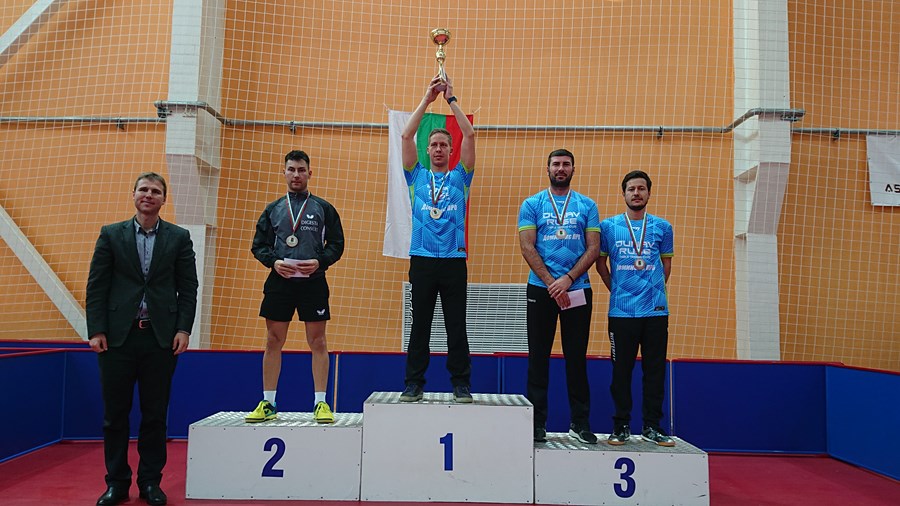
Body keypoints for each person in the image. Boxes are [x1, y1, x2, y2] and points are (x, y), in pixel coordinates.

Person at [86, 172, 199, 506]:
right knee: (114, 416)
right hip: (116, 340)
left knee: (155, 415)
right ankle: (116, 483)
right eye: (144, 189)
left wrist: (183, 329)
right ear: (133, 194)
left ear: (164, 199)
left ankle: (150, 482)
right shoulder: (111, 234)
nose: (149, 195)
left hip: (160, 339)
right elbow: (97, 285)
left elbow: (188, 288)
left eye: (156, 191)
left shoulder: (179, 237)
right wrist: (96, 330)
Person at [246, 150, 345, 425]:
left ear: (309, 173)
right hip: (280, 282)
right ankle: (268, 402)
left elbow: (337, 245)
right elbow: (259, 246)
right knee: (273, 340)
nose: (296, 175)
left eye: (301, 170)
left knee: (318, 341)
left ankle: (321, 403)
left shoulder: (324, 208)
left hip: (313, 282)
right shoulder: (273, 209)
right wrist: (274, 262)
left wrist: (321, 261)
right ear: (284, 173)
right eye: (291, 169)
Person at [398, 73, 476, 403]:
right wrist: (427, 99)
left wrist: (452, 100)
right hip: (423, 259)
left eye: (444, 144)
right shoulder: (415, 176)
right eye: (434, 145)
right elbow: (406, 135)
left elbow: (470, 133)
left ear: (451, 149)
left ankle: (461, 383)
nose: (440, 148)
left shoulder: (461, 177)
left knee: (456, 325)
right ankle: (414, 383)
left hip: (454, 260)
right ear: (427, 150)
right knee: (421, 325)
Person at [518, 149, 601, 444]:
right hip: (541, 289)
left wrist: (567, 280)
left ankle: (580, 423)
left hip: (577, 289)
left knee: (576, 357)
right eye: (556, 164)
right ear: (548, 169)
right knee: (538, 357)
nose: (561, 168)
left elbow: (593, 248)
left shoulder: (588, 205)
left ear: (573, 169)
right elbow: (527, 246)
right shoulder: (532, 204)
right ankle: (536, 423)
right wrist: (552, 282)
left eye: (566, 164)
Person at [596, 170, 675, 447]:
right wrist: (619, 290)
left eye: (641, 188)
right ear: (624, 194)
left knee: (654, 371)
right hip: (622, 313)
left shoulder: (663, 227)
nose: (636, 193)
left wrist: (651, 291)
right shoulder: (608, 227)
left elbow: (666, 265)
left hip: (655, 312)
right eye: (631, 189)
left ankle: (653, 426)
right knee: (621, 372)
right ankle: (621, 426)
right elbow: (601, 265)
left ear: (649, 193)